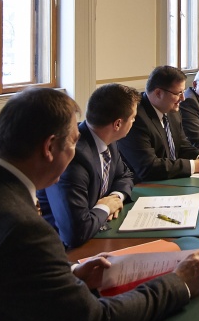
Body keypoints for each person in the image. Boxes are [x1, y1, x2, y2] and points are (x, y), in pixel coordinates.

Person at [0, 88, 199, 321]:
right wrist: (179, 282)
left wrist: (67, 276)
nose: (76, 150)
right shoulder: (24, 229)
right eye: (73, 142)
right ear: (49, 147)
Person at [37, 83, 139, 248]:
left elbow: (125, 176)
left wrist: (115, 198)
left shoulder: (108, 141)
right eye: (133, 117)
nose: (134, 120)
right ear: (117, 124)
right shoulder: (72, 156)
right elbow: (75, 233)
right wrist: (105, 207)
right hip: (64, 251)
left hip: (98, 233)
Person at [118, 65, 199, 183]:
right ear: (158, 93)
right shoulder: (136, 118)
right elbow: (148, 168)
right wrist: (196, 165)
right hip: (144, 187)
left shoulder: (171, 110)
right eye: (178, 93)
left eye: (183, 92)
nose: (183, 98)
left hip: (171, 180)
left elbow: (182, 145)